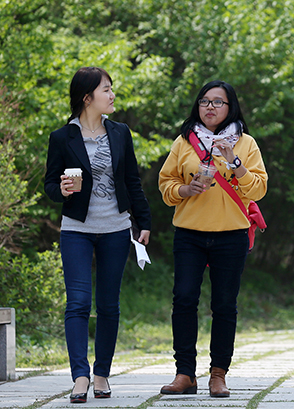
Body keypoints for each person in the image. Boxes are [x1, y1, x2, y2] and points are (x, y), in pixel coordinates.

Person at [44, 67, 151, 403]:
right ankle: (79, 376)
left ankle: (101, 373)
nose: (112, 94)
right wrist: (61, 190)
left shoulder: (120, 133)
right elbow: (49, 185)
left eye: (112, 88)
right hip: (77, 230)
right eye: (107, 89)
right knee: (77, 303)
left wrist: (143, 221)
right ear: (87, 97)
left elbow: (132, 181)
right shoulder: (62, 137)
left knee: (108, 304)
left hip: (116, 228)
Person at [158, 80, 267, 397]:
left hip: (230, 234)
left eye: (218, 102)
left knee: (224, 305)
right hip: (189, 232)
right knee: (184, 299)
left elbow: (258, 189)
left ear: (231, 106)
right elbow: (166, 185)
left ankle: (218, 374)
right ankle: (184, 374)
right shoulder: (184, 142)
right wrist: (184, 190)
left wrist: (234, 161)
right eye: (205, 101)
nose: (210, 107)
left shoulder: (245, 143)